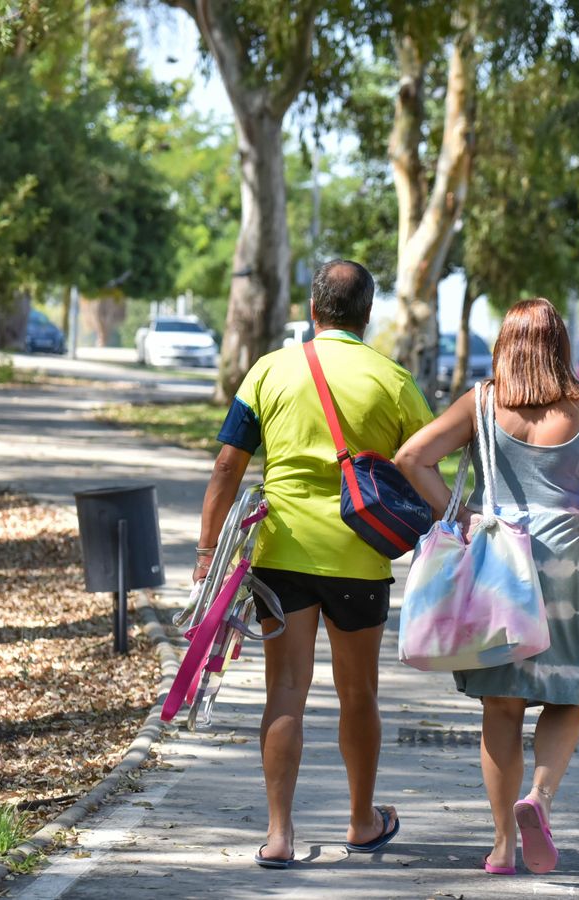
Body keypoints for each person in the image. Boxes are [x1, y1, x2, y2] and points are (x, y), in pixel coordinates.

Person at [394, 297, 579, 876]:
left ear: (506, 344)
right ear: (559, 345)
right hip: (565, 569)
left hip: (498, 568)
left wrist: (459, 517)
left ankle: (504, 843)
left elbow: (412, 456)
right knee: (566, 698)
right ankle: (542, 799)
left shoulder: (481, 402)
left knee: (500, 710)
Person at [196, 259, 433, 869]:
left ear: (312, 309)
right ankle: (361, 820)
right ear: (368, 314)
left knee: (285, 692)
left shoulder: (270, 370)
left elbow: (228, 466)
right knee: (359, 696)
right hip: (361, 558)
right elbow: (423, 464)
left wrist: (207, 550)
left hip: (281, 556)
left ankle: (279, 834)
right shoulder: (393, 378)